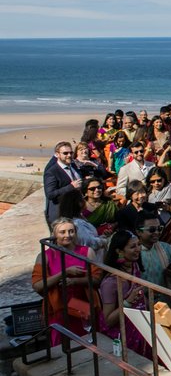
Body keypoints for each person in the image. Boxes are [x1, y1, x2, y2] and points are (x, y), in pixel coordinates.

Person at [32, 218, 99, 346]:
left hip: (83, 308)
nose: (67, 235)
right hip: (59, 309)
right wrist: (64, 273)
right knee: (62, 347)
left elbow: (97, 279)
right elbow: (37, 285)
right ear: (54, 235)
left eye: (71, 231)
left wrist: (75, 281)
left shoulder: (87, 252)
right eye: (62, 232)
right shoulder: (45, 256)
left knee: (87, 345)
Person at [98, 230, 151, 358]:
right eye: (133, 246)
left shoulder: (134, 267)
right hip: (124, 338)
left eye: (138, 244)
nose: (138, 249)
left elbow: (141, 299)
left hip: (142, 330)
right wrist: (128, 302)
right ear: (119, 251)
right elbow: (108, 320)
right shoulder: (111, 283)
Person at [44, 141, 84, 224]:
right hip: (61, 214)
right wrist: (71, 187)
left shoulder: (73, 166)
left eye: (71, 153)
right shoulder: (52, 172)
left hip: (77, 210)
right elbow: (50, 194)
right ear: (57, 154)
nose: (69, 155)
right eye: (65, 153)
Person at [137, 210, 171, 293]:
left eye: (159, 228)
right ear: (139, 232)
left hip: (165, 301)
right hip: (141, 302)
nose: (157, 232)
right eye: (152, 229)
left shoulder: (166, 248)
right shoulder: (133, 252)